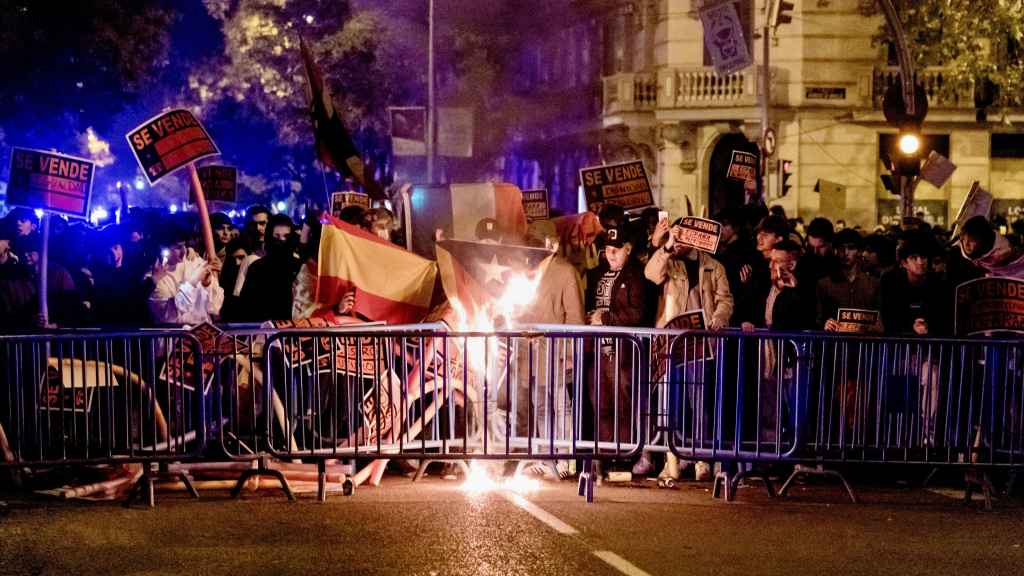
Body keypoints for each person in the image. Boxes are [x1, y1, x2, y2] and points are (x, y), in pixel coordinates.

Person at [645, 217, 733, 482]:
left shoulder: (712, 266)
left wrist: (719, 318)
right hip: (671, 343)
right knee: (668, 403)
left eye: (683, 235)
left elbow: (725, 299)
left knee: (700, 402)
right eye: (676, 234)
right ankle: (672, 460)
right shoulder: (669, 261)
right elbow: (650, 274)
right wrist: (667, 247)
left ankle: (701, 458)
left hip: (700, 344)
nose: (679, 239)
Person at [584, 226, 647, 460]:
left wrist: (605, 318)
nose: (611, 254)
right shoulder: (597, 274)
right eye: (608, 249)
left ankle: (624, 454)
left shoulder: (635, 275)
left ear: (628, 250)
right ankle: (606, 452)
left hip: (622, 351)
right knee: (600, 402)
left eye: (616, 250)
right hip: (598, 350)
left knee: (622, 404)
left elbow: (637, 312)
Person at [149, 229, 224, 326]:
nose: (183, 251)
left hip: (202, 335)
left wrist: (208, 285)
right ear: (163, 249)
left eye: (184, 245)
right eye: (178, 247)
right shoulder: (155, 276)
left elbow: (215, 307)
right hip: (175, 338)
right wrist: (192, 282)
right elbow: (169, 316)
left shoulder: (195, 262)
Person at [239, 214, 301, 322]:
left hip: (293, 331)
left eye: (286, 236)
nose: (281, 240)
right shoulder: (257, 267)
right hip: (264, 331)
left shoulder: (299, 266)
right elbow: (247, 306)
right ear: (269, 237)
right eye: (276, 236)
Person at [818, 229, 882, 331]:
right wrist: (825, 324)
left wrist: (878, 325)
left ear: (860, 251)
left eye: (851, 248)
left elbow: (881, 319)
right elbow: (818, 319)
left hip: (865, 343)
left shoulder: (873, 284)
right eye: (841, 248)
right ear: (835, 251)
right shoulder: (824, 284)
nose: (845, 252)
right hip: (835, 342)